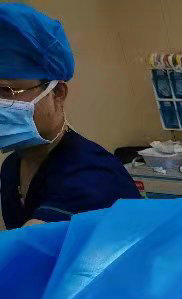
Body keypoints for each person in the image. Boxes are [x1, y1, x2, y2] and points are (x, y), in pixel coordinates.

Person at [0, 4, 139, 229]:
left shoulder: (93, 176)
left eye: (6, 91)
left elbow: (28, 245)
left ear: (57, 93)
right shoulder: (12, 167)